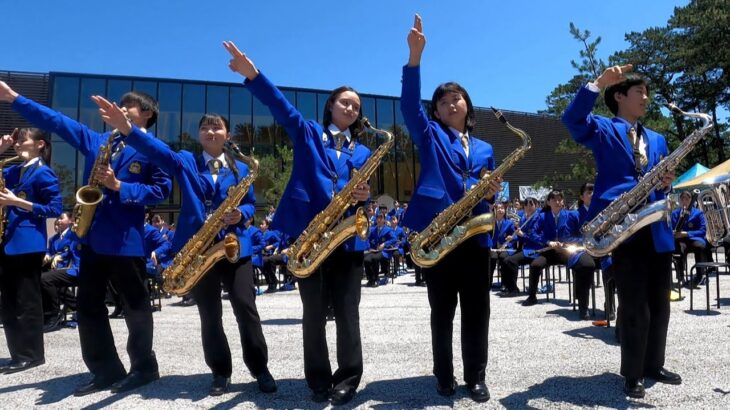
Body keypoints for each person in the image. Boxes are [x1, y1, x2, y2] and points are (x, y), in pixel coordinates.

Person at [94, 95, 278, 397]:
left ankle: (260, 368)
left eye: (217, 127)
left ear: (227, 135)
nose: (211, 131)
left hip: (235, 247)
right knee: (209, 314)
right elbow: (158, 151)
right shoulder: (187, 161)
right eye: (205, 127)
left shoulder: (242, 169)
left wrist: (240, 213)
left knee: (246, 308)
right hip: (199, 250)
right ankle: (220, 372)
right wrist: (129, 128)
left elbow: (250, 206)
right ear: (199, 135)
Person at [1, 81, 173, 395]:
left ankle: (144, 367)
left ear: (147, 113)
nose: (118, 112)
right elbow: (57, 121)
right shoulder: (99, 141)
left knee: (135, 307)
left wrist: (121, 187)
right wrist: (15, 98)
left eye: (127, 108)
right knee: (88, 306)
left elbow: (162, 191)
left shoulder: (152, 149)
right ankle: (105, 369)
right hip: (91, 239)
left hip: (126, 241)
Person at [225, 40, 371, 405]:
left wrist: (365, 196)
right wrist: (253, 74)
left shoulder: (365, 150)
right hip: (311, 236)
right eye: (344, 102)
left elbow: (363, 188)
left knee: (348, 315)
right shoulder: (308, 132)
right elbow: (281, 107)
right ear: (331, 106)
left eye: (355, 105)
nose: (350, 108)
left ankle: (348, 379)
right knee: (313, 314)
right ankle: (318, 381)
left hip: (347, 239)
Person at [562, 64, 680, 398]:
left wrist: (667, 181)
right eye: (639, 92)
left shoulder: (657, 138)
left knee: (660, 303)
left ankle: (653, 364)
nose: (646, 97)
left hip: (655, 225)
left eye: (646, 92)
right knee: (634, 305)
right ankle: (632, 373)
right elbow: (572, 121)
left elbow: (664, 177)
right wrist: (597, 83)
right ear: (619, 96)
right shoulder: (603, 128)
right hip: (623, 227)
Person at [401, 15, 500, 403]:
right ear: (438, 112)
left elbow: (490, 190)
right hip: (439, 235)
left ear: (466, 105)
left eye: (455, 97)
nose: (450, 103)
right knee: (442, 313)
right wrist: (414, 59)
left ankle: (476, 377)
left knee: (478, 312)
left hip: (475, 235)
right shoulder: (430, 135)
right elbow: (410, 107)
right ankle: (444, 376)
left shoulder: (485, 148)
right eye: (442, 101)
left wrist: (491, 190)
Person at [0, 127, 62, 373]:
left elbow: (54, 208)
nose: (17, 145)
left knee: (27, 301)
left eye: (22, 141)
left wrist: (17, 202)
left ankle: (32, 354)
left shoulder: (44, 173)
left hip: (28, 243)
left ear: (40, 144)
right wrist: (1, 147)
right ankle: (18, 354)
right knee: (9, 302)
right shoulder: (14, 170)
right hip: (8, 241)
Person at [519, 190, 595, 320]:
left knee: (585, 265)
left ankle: (583, 307)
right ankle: (532, 296)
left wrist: (566, 243)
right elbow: (533, 234)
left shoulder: (573, 215)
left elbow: (582, 235)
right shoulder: (542, 216)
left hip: (568, 252)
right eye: (554, 199)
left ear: (563, 201)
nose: (557, 202)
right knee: (536, 265)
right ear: (548, 202)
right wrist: (548, 242)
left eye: (560, 199)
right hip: (549, 252)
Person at [41, 212, 81, 332]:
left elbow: (69, 251)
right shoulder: (59, 237)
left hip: (78, 270)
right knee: (41, 277)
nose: (58, 221)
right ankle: (47, 313)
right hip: (67, 269)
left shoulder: (76, 234)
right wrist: (51, 256)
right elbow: (61, 251)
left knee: (45, 279)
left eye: (61, 218)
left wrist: (59, 256)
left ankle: (54, 315)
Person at [500, 197, 541, 296]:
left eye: (531, 205)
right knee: (505, 259)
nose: (528, 207)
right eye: (526, 205)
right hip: (525, 248)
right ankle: (510, 287)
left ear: (536, 206)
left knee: (511, 261)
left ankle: (513, 289)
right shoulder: (523, 218)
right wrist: (513, 238)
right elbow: (521, 238)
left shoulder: (539, 218)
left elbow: (538, 238)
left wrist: (523, 235)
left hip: (535, 250)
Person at [671, 190, 709, 288]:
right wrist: (674, 232)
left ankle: (699, 276)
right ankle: (681, 277)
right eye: (682, 199)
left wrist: (686, 234)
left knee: (700, 246)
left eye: (687, 199)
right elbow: (671, 228)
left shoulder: (698, 213)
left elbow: (702, 231)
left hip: (694, 239)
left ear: (691, 200)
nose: (685, 201)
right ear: (679, 201)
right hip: (681, 241)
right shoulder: (675, 214)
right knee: (677, 248)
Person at [363, 213, 397, 287]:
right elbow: (367, 239)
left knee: (375, 258)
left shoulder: (388, 229)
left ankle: (376, 279)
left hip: (385, 251)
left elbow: (394, 239)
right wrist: (369, 248)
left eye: (381, 218)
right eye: (377, 218)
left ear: (384, 220)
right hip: (374, 250)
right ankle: (370, 279)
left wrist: (384, 244)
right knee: (366, 259)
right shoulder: (373, 229)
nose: (378, 220)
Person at [488, 202, 517, 287]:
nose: (500, 210)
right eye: (498, 208)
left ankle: (505, 283)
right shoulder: (490, 223)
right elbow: (487, 236)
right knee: (491, 258)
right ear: (494, 210)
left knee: (504, 258)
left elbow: (514, 236)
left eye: (502, 208)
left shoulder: (509, 223)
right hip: (493, 247)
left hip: (505, 247)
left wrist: (510, 238)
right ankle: (488, 283)